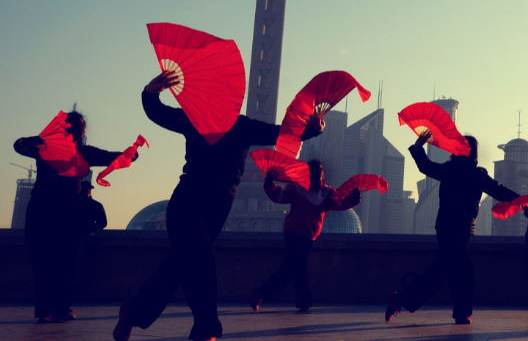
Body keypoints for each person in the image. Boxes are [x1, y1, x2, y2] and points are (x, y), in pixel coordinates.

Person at [113, 72, 324, 341]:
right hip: (187, 205)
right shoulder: (196, 119)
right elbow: (159, 114)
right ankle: (206, 329)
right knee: (202, 265)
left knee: (177, 267)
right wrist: (150, 92)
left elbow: (280, 133)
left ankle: (132, 313)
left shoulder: (243, 126)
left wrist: (312, 129)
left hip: (216, 213)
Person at [385, 131, 520, 325]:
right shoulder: (462, 172)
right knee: (464, 268)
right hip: (451, 229)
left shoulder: (471, 173)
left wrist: (522, 200)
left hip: (456, 229)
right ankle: (460, 313)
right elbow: (426, 167)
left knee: (443, 271)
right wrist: (418, 147)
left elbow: (499, 191)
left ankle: (403, 298)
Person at [15, 111, 126, 323]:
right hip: (44, 211)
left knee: (64, 262)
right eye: (77, 124)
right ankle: (48, 310)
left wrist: (129, 154)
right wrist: (32, 140)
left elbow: (110, 157)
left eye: (82, 125)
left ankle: (59, 309)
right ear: (65, 127)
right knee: (45, 262)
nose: (81, 128)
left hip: (65, 212)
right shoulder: (46, 148)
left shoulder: (82, 152)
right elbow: (19, 146)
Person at [250, 160, 361, 313]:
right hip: (293, 232)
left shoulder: (327, 193)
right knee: (300, 267)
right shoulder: (296, 188)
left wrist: (354, 198)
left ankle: (260, 294)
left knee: (289, 270)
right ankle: (304, 302)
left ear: (322, 174)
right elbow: (278, 195)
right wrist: (269, 184)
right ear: (307, 174)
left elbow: (341, 203)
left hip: (309, 237)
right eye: (313, 172)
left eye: (319, 172)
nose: (316, 175)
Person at [75, 181, 108, 291]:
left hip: (74, 239)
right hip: (88, 238)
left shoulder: (73, 205)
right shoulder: (96, 205)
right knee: (85, 265)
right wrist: (93, 229)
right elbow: (103, 223)